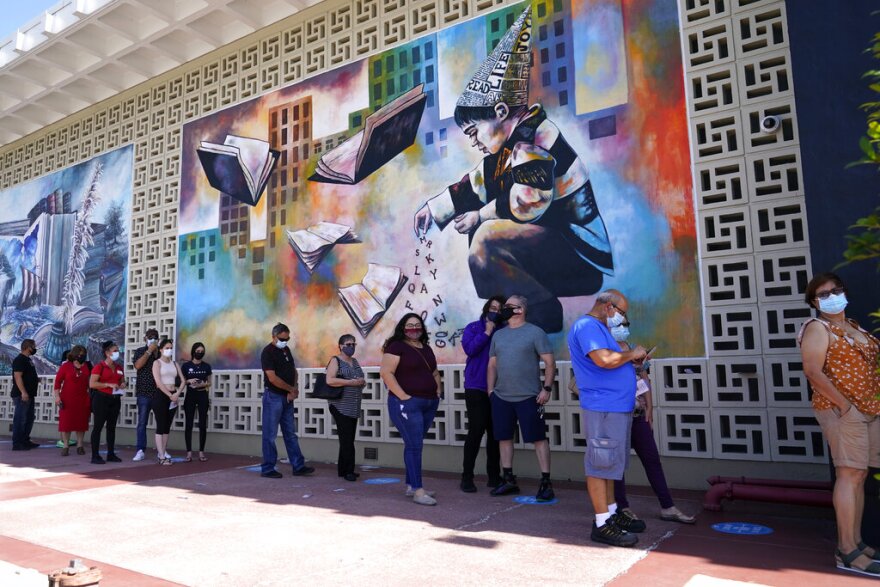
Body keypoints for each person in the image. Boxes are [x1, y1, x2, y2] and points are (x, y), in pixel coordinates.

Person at [413, 6, 612, 334]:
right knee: (481, 240)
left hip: (579, 257)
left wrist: (480, 216)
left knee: (486, 239)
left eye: (474, 131)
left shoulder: (535, 138)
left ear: (501, 111)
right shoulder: (502, 151)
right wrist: (434, 210)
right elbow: (472, 186)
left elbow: (529, 200)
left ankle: (541, 312)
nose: (474, 141)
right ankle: (525, 306)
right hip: (550, 248)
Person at [799, 272, 880, 576]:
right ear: (813, 302)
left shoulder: (854, 327)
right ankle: (847, 550)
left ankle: (857, 543)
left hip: (868, 408)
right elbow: (812, 370)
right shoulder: (818, 328)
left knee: (858, 474)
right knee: (848, 473)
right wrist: (846, 406)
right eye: (823, 294)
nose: (832, 297)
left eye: (836, 290)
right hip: (843, 411)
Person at [567, 290, 647, 547]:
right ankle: (602, 522)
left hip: (615, 406)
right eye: (621, 312)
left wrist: (630, 360)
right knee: (600, 463)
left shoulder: (601, 328)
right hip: (603, 406)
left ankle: (611, 513)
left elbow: (613, 360)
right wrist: (631, 354)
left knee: (610, 464)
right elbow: (603, 360)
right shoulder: (586, 325)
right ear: (607, 306)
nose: (621, 318)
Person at [607, 320, 694, 525]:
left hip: (638, 415)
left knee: (652, 459)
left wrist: (650, 409)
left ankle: (668, 506)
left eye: (626, 323)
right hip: (616, 415)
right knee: (618, 464)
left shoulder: (633, 347)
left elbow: (644, 379)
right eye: (619, 323)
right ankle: (622, 507)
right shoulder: (604, 352)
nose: (624, 327)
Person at [486, 295, 556, 502]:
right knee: (504, 438)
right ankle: (508, 479)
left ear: (520, 310)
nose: (504, 309)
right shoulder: (499, 335)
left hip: (529, 397)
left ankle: (545, 482)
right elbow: (492, 365)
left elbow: (550, 363)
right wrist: (491, 391)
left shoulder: (535, 332)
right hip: (501, 396)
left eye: (508, 306)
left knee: (538, 438)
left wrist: (547, 389)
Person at [380, 313, 442, 506]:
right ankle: (418, 490)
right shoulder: (396, 346)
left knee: (413, 444)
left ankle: (411, 484)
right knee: (415, 446)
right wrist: (403, 396)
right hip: (407, 404)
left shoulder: (426, 348)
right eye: (409, 325)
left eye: (417, 325)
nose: (413, 329)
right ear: (402, 328)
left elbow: (433, 371)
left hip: (429, 402)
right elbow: (386, 372)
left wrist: (438, 390)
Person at [460, 295, 506, 492]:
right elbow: (470, 349)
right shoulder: (473, 327)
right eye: (492, 307)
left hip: (498, 388)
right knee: (476, 431)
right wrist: (486, 333)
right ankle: (466, 477)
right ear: (486, 308)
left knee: (495, 434)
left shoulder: (505, 331)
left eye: (499, 309)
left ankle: (494, 477)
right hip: (475, 387)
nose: (495, 311)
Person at [260, 323, 315, 478]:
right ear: (273, 336)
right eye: (282, 339)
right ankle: (268, 468)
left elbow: (293, 370)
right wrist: (290, 389)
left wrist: (294, 388)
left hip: (287, 397)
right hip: (274, 397)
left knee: (290, 433)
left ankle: (298, 465)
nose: (285, 341)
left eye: (287, 338)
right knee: (270, 435)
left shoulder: (286, 350)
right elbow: (272, 378)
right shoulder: (267, 352)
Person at [325, 334, 366, 482]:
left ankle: (343, 469)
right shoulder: (336, 360)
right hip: (340, 406)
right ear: (341, 346)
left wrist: (361, 382)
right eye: (348, 344)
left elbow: (360, 377)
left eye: (353, 344)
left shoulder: (354, 361)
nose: (351, 347)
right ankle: (349, 471)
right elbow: (330, 380)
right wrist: (351, 383)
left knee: (347, 439)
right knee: (347, 439)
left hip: (353, 406)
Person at [89, 341, 126, 464]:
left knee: (111, 427)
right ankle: (95, 455)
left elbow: (122, 380)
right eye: (114, 351)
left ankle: (111, 454)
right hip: (101, 399)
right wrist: (107, 384)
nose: (117, 353)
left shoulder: (119, 367)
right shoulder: (99, 367)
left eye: (117, 350)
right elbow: (92, 384)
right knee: (98, 427)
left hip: (115, 400)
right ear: (107, 353)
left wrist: (123, 384)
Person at [53, 345, 92, 456]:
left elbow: (91, 381)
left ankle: (80, 445)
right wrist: (57, 396)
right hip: (67, 398)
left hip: (82, 398)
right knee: (66, 423)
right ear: (74, 354)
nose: (82, 356)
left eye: (83, 354)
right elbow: (57, 382)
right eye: (80, 354)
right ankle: (65, 446)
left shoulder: (87, 366)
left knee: (81, 423)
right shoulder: (66, 366)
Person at [151, 338, 185, 465]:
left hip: (173, 395)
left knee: (167, 427)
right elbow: (158, 382)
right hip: (161, 395)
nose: (169, 350)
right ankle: (160, 456)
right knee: (160, 425)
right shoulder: (157, 363)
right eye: (166, 348)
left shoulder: (175, 364)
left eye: (171, 348)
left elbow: (182, 380)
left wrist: (177, 393)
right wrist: (169, 395)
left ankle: (163, 452)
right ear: (161, 350)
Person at [132, 328, 160, 462]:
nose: (152, 339)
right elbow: (137, 366)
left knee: (161, 422)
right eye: (150, 337)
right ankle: (140, 450)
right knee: (142, 422)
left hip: (159, 393)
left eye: (155, 337)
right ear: (145, 339)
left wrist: (156, 352)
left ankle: (161, 449)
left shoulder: (161, 353)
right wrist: (149, 351)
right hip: (143, 392)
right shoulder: (139, 351)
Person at [181, 342, 212, 462]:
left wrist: (203, 384)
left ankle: (201, 452)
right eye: (198, 351)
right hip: (190, 396)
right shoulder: (186, 366)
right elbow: (182, 381)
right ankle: (189, 452)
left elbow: (209, 382)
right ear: (193, 351)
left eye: (202, 351)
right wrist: (189, 381)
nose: (200, 353)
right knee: (189, 424)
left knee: (202, 424)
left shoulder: (207, 366)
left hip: (202, 394)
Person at [11, 339, 40, 451]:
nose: (35, 348)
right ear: (28, 347)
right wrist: (23, 392)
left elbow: (26, 375)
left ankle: (25, 440)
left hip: (30, 395)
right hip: (21, 395)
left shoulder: (28, 360)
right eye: (34, 346)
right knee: (20, 419)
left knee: (29, 418)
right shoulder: (20, 360)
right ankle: (17, 443)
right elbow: (17, 376)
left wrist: (36, 379)